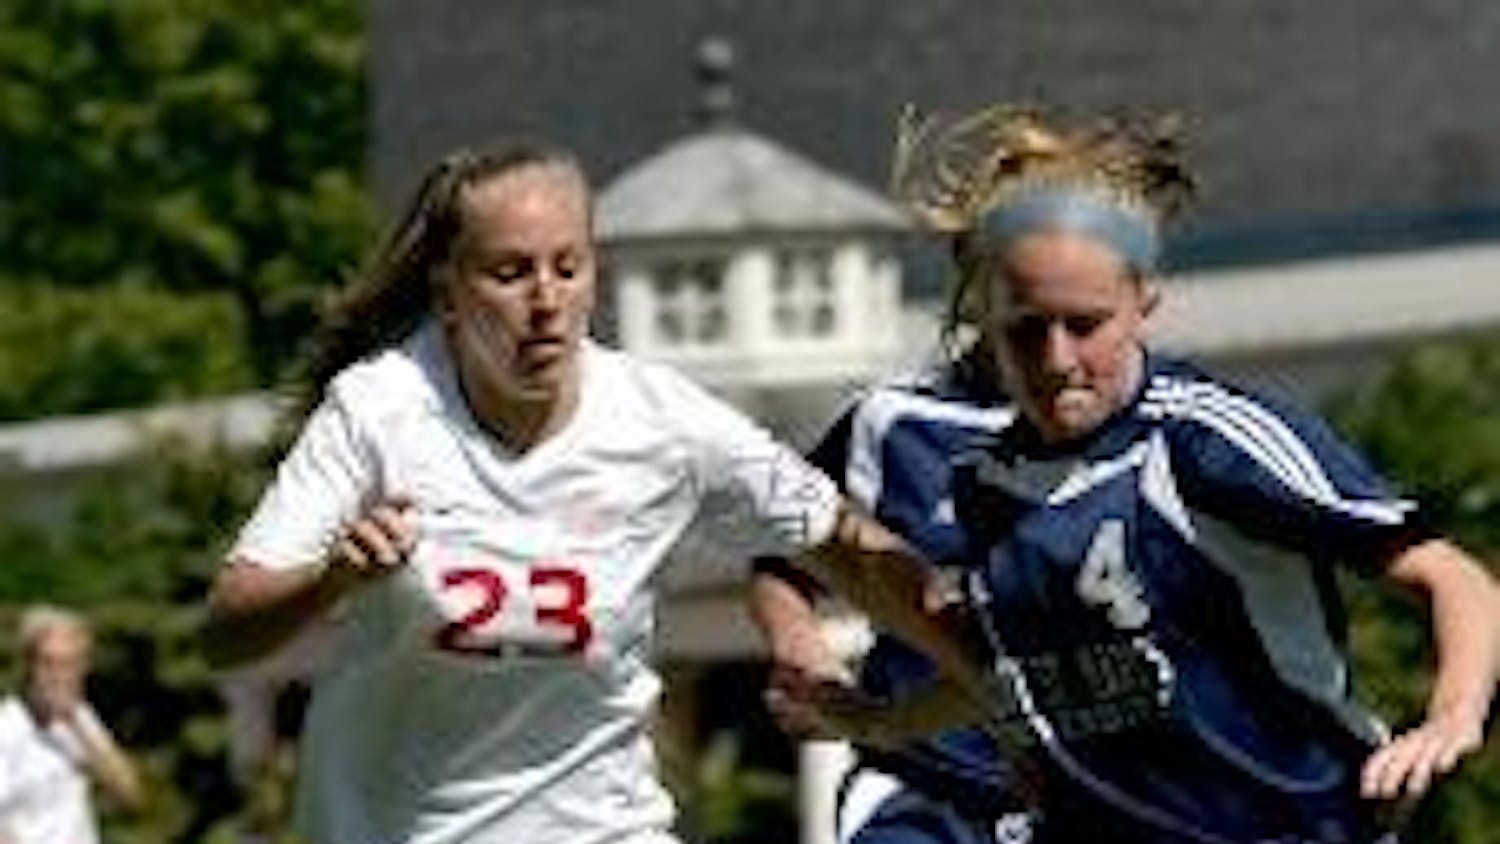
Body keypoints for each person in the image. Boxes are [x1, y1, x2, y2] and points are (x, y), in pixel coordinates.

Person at [201, 141, 983, 844]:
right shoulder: (378, 411)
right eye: (511, 273)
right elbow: (228, 633)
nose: (546, 300)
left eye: (567, 268)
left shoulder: (663, 420)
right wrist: (333, 579)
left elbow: (851, 550)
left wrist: (1000, 678)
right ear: (448, 291)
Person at [776, 105, 1500, 844]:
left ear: (1142, 302)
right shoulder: (985, 485)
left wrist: (1453, 717)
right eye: (1026, 329)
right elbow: (1013, 677)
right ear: (984, 318)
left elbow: (1451, 575)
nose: (1057, 360)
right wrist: (884, 722)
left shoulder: (1207, 440)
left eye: (1085, 325)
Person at [749, 341, 1036, 844]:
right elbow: (783, 555)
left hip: (1095, 790)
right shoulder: (889, 420)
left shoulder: (1161, 430)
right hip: (920, 789)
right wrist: (803, 652)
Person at [0, 605, 143, 844]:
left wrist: (77, 725)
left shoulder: (81, 717)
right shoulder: (8, 728)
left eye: (70, 664)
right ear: (27, 666)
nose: (59, 676)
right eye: (48, 663)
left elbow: (129, 793)